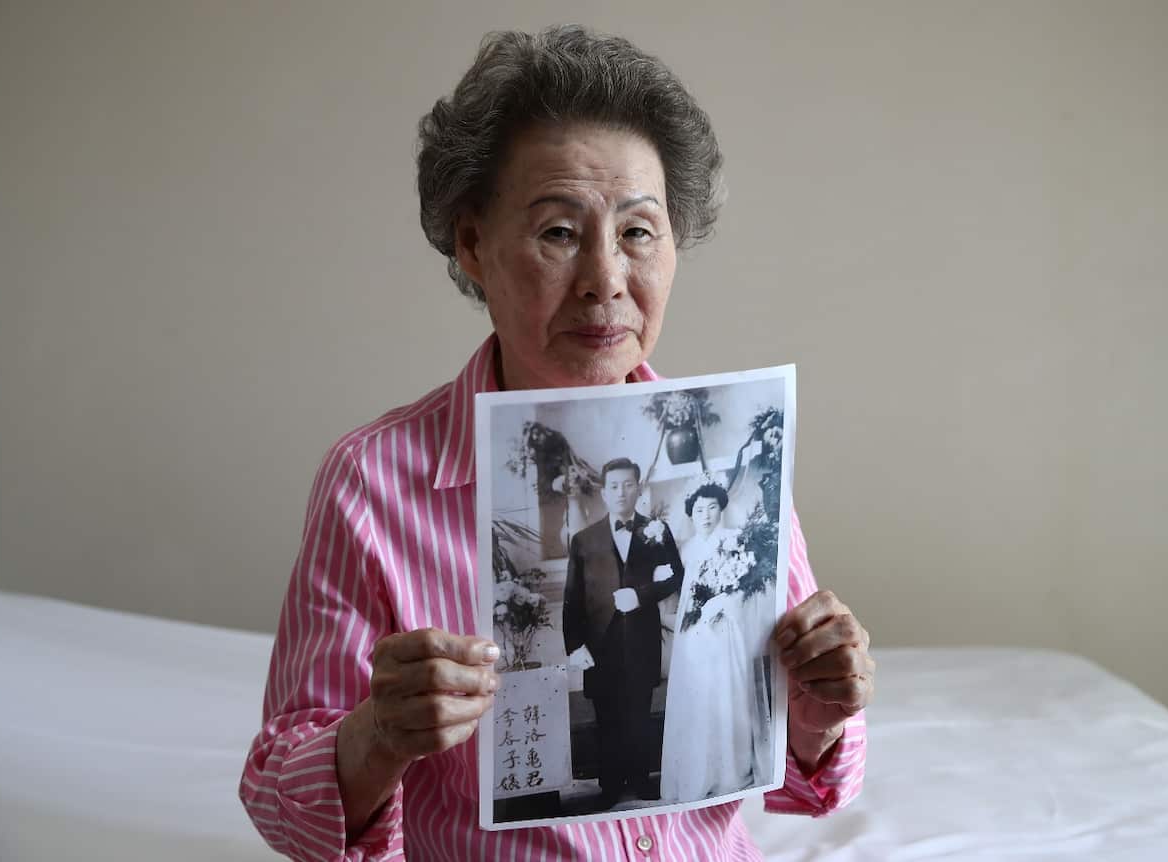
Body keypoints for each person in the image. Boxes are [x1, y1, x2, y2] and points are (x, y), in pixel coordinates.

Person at [240, 24, 875, 862]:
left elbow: (801, 772)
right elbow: (279, 795)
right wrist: (376, 738)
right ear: (473, 245)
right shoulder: (372, 480)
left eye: (639, 232)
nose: (605, 279)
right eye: (560, 233)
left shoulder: (728, 458)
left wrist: (820, 711)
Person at [562, 458, 684, 810]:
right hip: (600, 644)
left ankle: (642, 779)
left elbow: (676, 575)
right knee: (607, 715)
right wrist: (574, 645)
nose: (621, 492)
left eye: (628, 485)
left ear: (638, 488)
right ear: (603, 492)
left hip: (642, 640)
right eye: (614, 486)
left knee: (639, 713)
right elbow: (572, 599)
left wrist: (641, 596)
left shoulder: (656, 530)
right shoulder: (583, 540)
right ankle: (610, 783)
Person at [661, 478, 767, 802]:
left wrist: (723, 604)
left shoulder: (734, 541)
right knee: (698, 698)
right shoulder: (686, 549)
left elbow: (745, 589)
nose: (705, 515)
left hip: (725, 632)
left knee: (725, 695)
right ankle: (699, 771)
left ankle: (729, 773)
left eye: (711, 508)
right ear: (690, 514)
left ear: (721, 508)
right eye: (698, 509)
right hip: (695, 635)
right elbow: (683, 597)